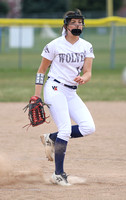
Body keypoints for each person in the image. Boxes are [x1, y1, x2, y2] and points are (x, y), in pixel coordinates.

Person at [34, 9, 95, 186]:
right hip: (54, 88)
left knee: (88, 127)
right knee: (66, 129)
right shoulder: (54, 45)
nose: (78, 25)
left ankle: (51, 138)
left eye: (80, 22)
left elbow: (88, 71)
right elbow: (41, 71)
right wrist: (37, 97)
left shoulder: (86, 45)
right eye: (74, 22)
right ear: (66, 25)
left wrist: (83, 78)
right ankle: (58, 174)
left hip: (71, 91)